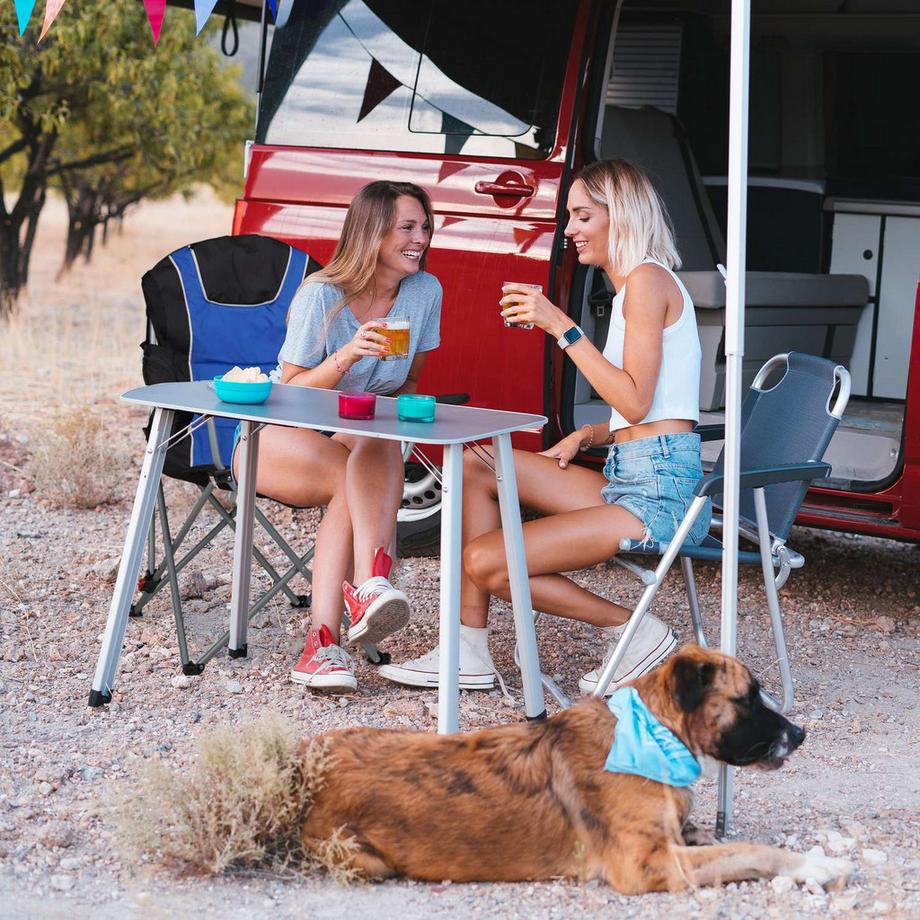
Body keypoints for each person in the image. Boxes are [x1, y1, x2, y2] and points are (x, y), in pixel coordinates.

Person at [379, 159, 711, 695]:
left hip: (661, 496)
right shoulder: (635, 287)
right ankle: (466, 652)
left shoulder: (647, 282)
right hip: (637, 472)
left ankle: (633, 629)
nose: (571, 230)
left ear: (619, 215)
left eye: (582, 216)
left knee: (485, 560)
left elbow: (635, 395)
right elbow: (656, 404)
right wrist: (593, 434)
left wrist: (559, 324)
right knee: (473, 462)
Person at [234, 181, 441, 692]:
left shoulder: (424, 292)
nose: (422, 238)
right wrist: (347, 355)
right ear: (372, 234)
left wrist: (405, 412)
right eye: (408, 228)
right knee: (354, 477)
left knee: (377, 445)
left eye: (425, 227)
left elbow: (409, 383)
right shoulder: (321, 295)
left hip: (359, 437)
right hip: (281, 436)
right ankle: (361, 596)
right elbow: (288, 393)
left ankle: (327, 639)